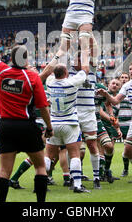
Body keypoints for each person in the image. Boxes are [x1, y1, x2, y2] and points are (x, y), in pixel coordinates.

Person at [0, 19, 53, 202]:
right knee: (40, 167)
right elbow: (43, 107)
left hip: (6, 126)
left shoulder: (0, 71)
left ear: (11, 58)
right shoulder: (33, 78)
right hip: (26, 126)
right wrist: (49, 127)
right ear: (26, 59)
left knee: (4, 170)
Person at [45, 63, 90, 193]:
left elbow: (48, 72)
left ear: (54, 74)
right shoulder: (72, 83)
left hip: (53, 123)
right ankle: (77, 185)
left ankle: (41, 182)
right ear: (66, 73)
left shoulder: (49, 82)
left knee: (48, 155)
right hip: (70, 123)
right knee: (75, 154)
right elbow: (85, 70)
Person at [54, 0, 103, 76]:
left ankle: (85, 73)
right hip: (71, 14)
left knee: (84, 42)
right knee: (63, 46)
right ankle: (54, 72)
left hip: (85, 14)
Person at [68, 51, 102, 189]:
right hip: (73, 113)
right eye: (77, 58)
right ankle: (73, 178)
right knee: (73, 148)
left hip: (89, 113)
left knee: (92, 145)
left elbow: (94, 52)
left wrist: (86, 37)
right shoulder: (68, 72)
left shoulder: (92, 70)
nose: (79, 61)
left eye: (82, 59)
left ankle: (96, 177)